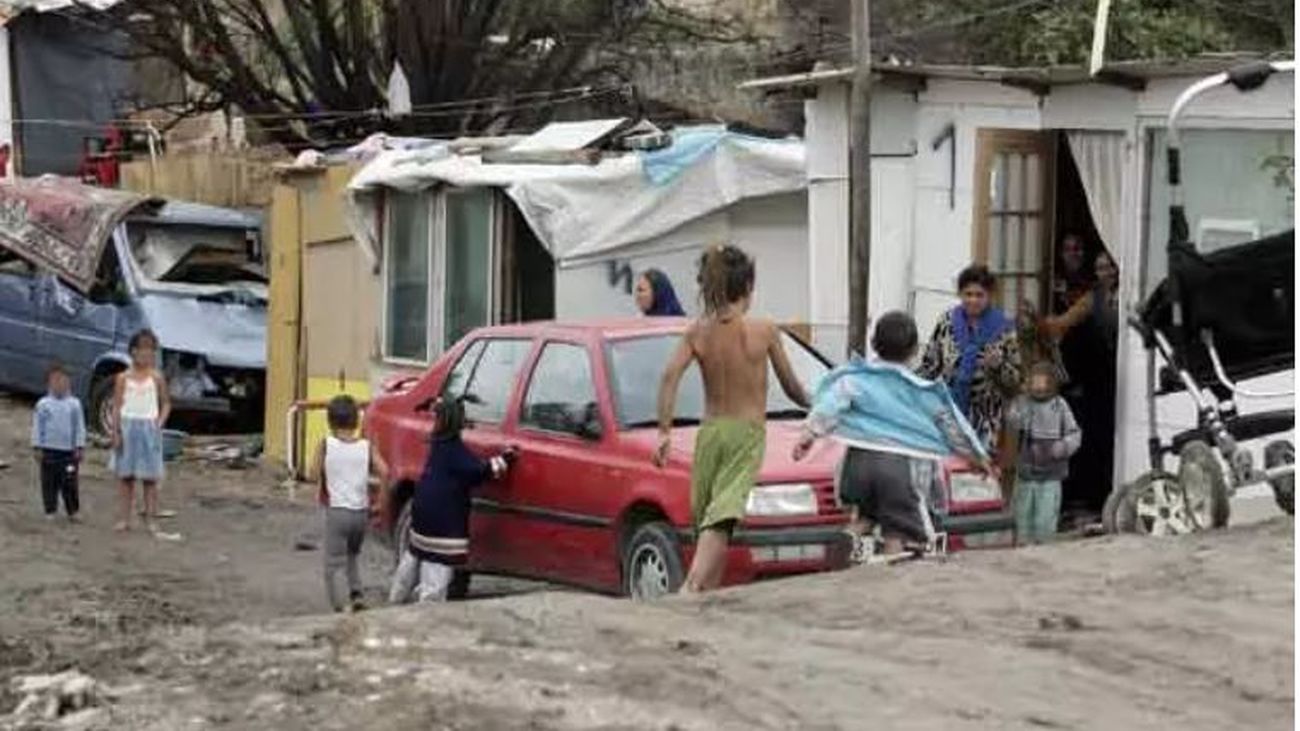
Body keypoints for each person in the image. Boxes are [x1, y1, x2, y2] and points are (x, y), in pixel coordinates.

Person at [654, 244, 809, 593]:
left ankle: (707, 594)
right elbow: (792, 388)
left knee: (709, 517)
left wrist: (664, 432)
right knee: (722, 517)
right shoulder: (765, 330)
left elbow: (668, 377)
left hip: (710, 433)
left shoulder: (698, 332)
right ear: (748, 288)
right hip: (746, 433)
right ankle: (691, 589)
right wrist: (816, 408)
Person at [793, 311, 990, 559]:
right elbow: (953, 427)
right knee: (900, 529)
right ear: (915, 350)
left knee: (869, 514)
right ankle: (889, 572)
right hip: (899, 467)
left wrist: (808, 435)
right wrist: (978, 458)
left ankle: (852, 536)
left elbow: (830, 405)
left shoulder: (857, 379)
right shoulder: (922, 391)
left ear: (874, 345)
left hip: (858, 463)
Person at [389, 396, 513, 604]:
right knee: (435, 577)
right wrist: (504, 460)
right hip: (443, 526)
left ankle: (394, 601)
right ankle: (426, 615)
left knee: (411, 562)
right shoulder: (455, 452)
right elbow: (479, 471)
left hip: (421, 517)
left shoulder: (438, 445)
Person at [1040, 250, 1120, 519]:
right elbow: (1062, 324)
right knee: (1097, 437)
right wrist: (1037, 326)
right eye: (1099, 268)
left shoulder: (1129, 294)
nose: (1105, 272)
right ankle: (1096, 498)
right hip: (1099, 379)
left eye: (1109, 267)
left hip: (1124, 375)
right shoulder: (1092, 298)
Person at [918, 264, 1022, 452]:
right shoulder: (947, 322)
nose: (973, 300)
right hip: (948, 415)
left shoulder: (1005, 328)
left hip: (987, 421)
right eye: (968, 294)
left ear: (990, 295)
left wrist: (999, 366)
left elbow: (1016, 384)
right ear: (960, 294)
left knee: (978, 475)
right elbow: (930, 366)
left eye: (979, 295)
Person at [312, 395, 388, 613]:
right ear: (356, 420)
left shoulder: (326, 445)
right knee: (352, 555)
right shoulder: (367, 446)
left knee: (333, 564)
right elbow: (385, 472)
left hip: (337, 512)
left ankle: (339, 607)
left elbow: (311, 474)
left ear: (330, 421)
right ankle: (356, 594)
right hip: (360, 513)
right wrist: (380, 503)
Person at [1007, 362, 1082, 544]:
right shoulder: (1023, 403)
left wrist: (1062, 447)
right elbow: (1012, 422)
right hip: (1026, 474)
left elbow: (1075, 433)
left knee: (1045, 520)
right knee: (1021, 518)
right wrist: (1018, 410)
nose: (1039, 387)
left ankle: (1045, 553)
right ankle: (1022, 550)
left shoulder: (1060, 406)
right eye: (1035, 382)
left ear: (1052, 383)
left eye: (1043, 382)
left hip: (1051, 475)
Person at [111, 330, 171, 534]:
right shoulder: (123, 378)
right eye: (141, 350)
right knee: (126, 477)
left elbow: (166, 403)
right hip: (128, 427)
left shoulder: (156, 378)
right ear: (133, 352)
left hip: (149, 428)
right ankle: (124, 519)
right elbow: (117, 406)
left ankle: (151, 519)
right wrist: (116, 432)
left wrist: (159, 423)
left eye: (150, 351)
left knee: (150, 479)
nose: (146, 356)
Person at [31, 362, 85, 522]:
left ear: (69, 382)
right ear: (48, 383)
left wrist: (79, 446)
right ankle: (50, 510)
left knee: (70, 482)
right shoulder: (43, 405)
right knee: (49, 482)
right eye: (55, 380)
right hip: (49, 452)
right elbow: (37, 427)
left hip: (68, 454)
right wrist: (37, 446)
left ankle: (73, 511)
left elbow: (79, 427)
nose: (59, 384)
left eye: (63, 380)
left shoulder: (74, 404)